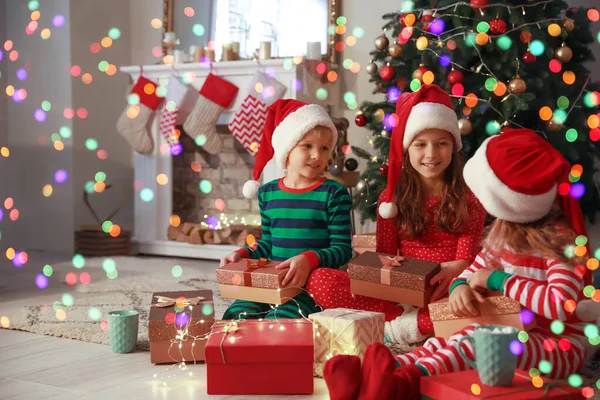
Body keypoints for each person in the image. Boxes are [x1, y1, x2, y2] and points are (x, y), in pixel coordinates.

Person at [323, 128, 598, 400]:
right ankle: (373, 375)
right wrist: (460, 285)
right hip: (511, 326)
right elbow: (474, 268)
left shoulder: (563, 243)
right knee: (441, 341)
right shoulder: (505, 233)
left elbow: (562, 304)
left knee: (471, 344)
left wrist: (497, 280)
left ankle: (400, 385)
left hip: (558, 345)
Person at [306, 84, 486, 346]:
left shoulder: (470, 198)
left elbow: (466, 260)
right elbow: (384, 258)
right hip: (399, 294)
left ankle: (409, 325)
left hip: (448, 289)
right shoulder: (390, 201)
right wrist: (388, 274)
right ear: (407, 149)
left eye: (442, 144)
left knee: (482, 300)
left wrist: (457, 271)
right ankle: (407, 320)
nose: (431, 154)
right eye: (420, 145)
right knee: (321, 280)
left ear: (453, 146)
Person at [219, 99, 353, 320]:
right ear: (287, 148)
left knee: (282, 322)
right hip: (270, 282)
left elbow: (342, 249)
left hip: (308, 287)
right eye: (307, 146)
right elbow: (267, 243)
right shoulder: (268, 193)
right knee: (236, 315)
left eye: (324, 148)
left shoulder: (333, 193)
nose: (316, 155)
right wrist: (242, 254)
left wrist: (309, 259)